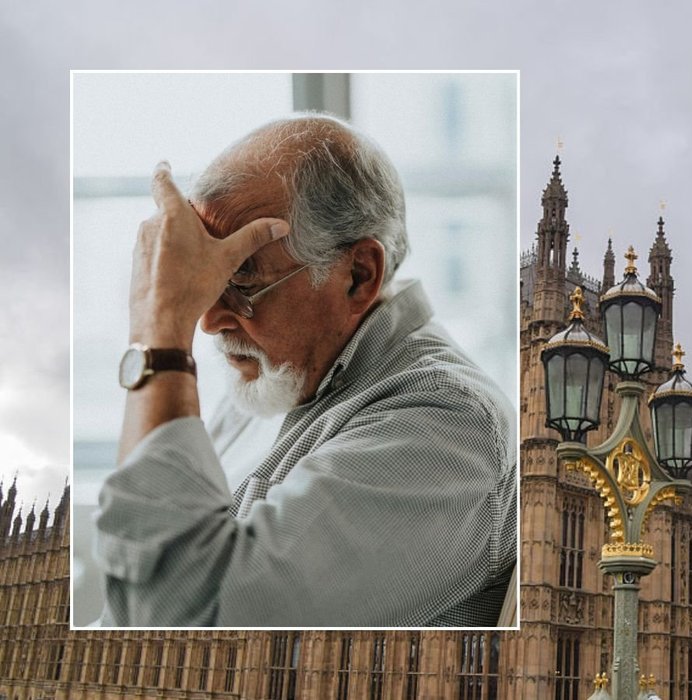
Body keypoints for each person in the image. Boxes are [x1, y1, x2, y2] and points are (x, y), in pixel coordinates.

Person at [95, 114, 517, 627]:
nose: (206, 320)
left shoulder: (447, 427)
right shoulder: (274, 378)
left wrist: (159, 332)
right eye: (203, 282)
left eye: (242, 281)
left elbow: (177, 627)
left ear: (359, 275)